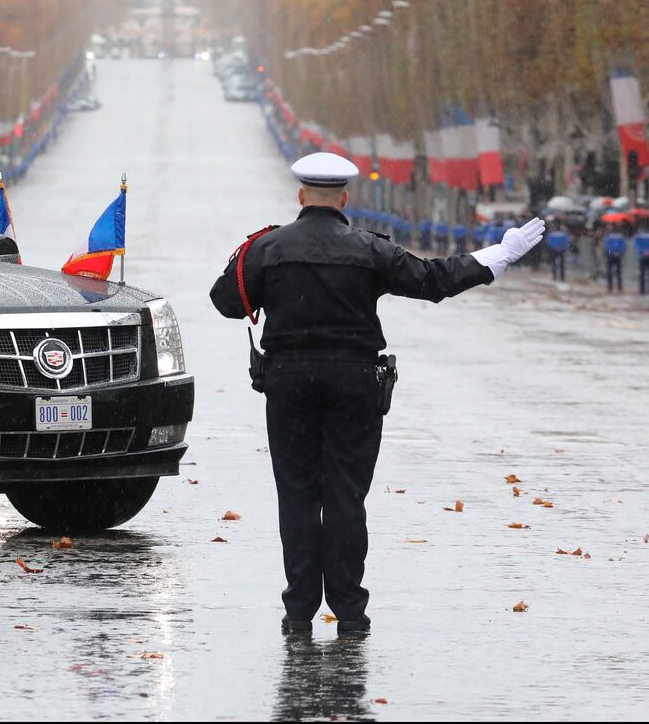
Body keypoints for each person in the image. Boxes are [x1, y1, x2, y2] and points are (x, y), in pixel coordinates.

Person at [209, 152, 544, 636]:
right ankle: (349, 612)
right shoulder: (369, 249)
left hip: (289, 382)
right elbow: (435, 281)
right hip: (354, 384)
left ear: (301, 197)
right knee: (347, 495)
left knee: (298, 496)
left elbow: (226, 302)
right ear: (344, 199)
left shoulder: (267, 248)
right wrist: (498, 255)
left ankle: (299, 612)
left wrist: (256, 264)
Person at [604, 226, 628, 293]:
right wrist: (619, 252)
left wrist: (612, 252)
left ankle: (611, 287)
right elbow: (623, 246)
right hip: (617, 255)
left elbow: (607, 246)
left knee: (611, 272)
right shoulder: (621, 236)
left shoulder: (608, 236)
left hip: (611, 255)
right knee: (617, 272)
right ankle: (618, 287)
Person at [634, 223, 649, 295]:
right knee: (642, 274)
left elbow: (637, 244)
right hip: (642, 256)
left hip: (643, 255)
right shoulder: (639, 234)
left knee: (642, 274)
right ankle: (642, 290)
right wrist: (644, 251)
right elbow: (636, 244)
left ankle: (643, 290)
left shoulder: (639, 233)